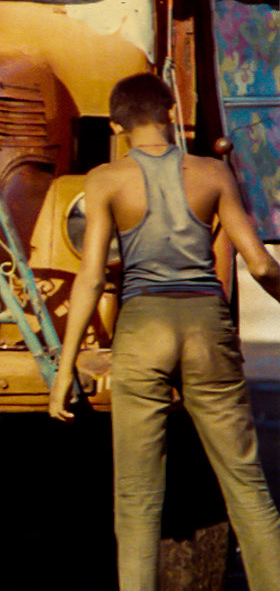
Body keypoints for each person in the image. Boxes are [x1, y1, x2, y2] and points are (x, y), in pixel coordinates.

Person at [49, 72, 280, 591]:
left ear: (115, 125)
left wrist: (65, 368)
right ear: (172, 113)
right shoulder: (213, 173)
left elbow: (90, 277)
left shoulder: (105, 180)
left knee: (136, 497)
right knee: (245, 484)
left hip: (143, 326)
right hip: (207, 325)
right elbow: (262, 267)